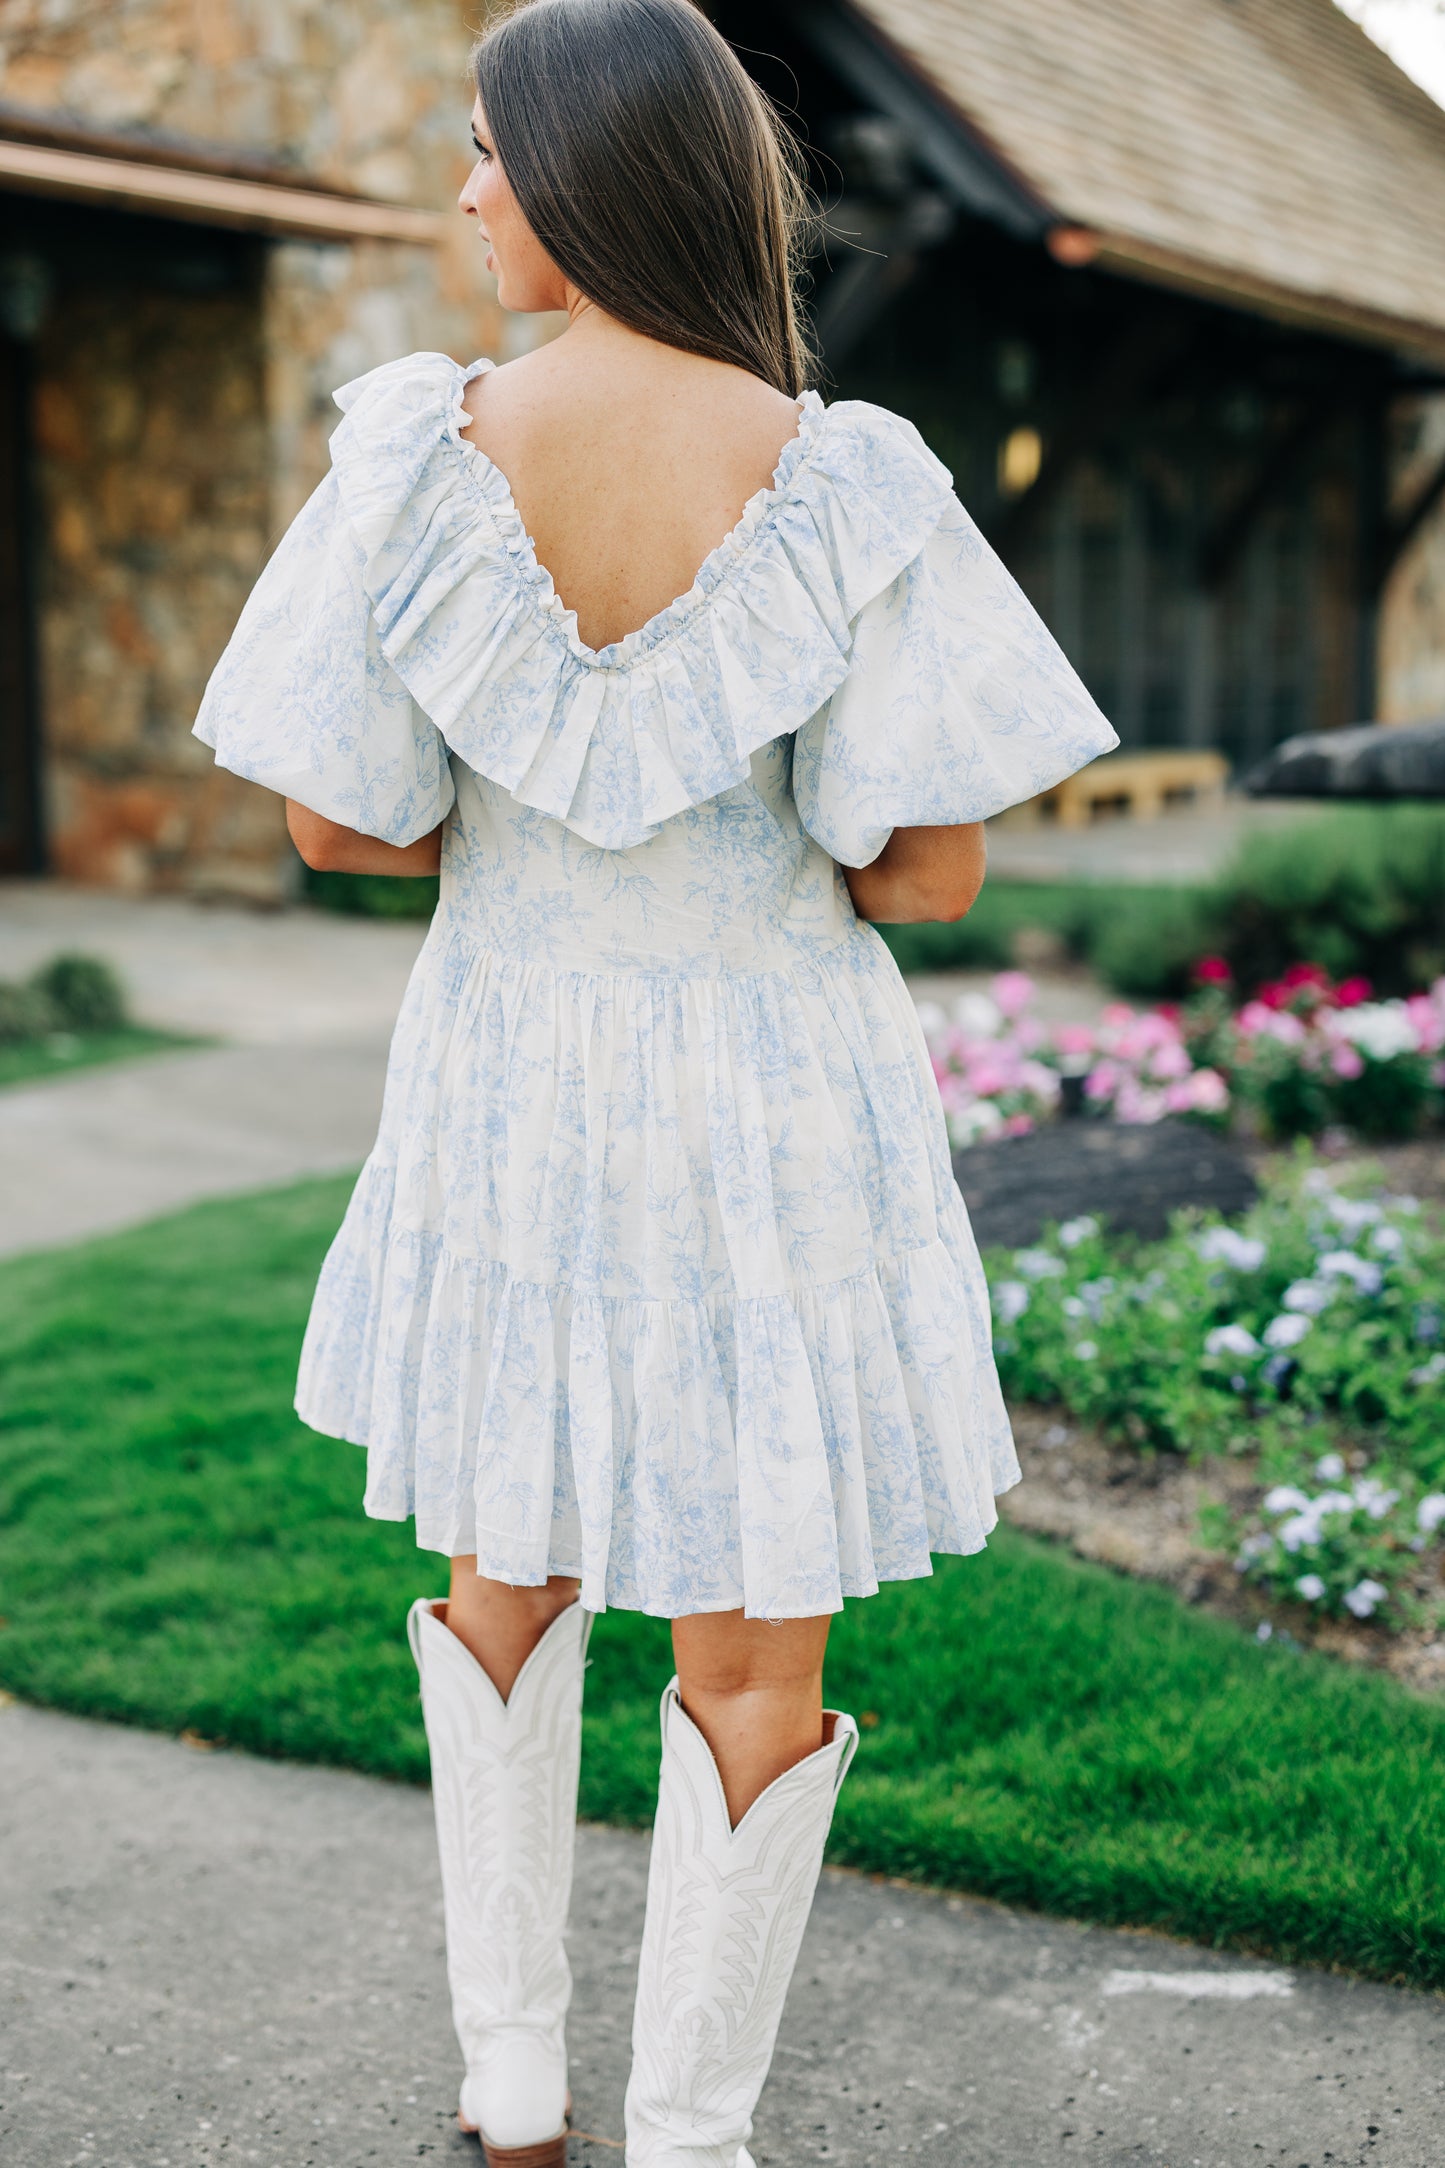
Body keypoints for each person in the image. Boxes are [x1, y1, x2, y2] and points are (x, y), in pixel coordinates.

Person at [193, 0, 1117, 2158]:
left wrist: (511, 823)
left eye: (490, 150)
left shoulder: (421, 450)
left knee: (502, 1581)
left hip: (513, 1072)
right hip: (777, 1099)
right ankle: (696, 2132)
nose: (463, 187)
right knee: (749, 1636)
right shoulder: (837, 470)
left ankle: (513, 2082)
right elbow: (936, 867)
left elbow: (333, 822)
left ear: (592, 175)